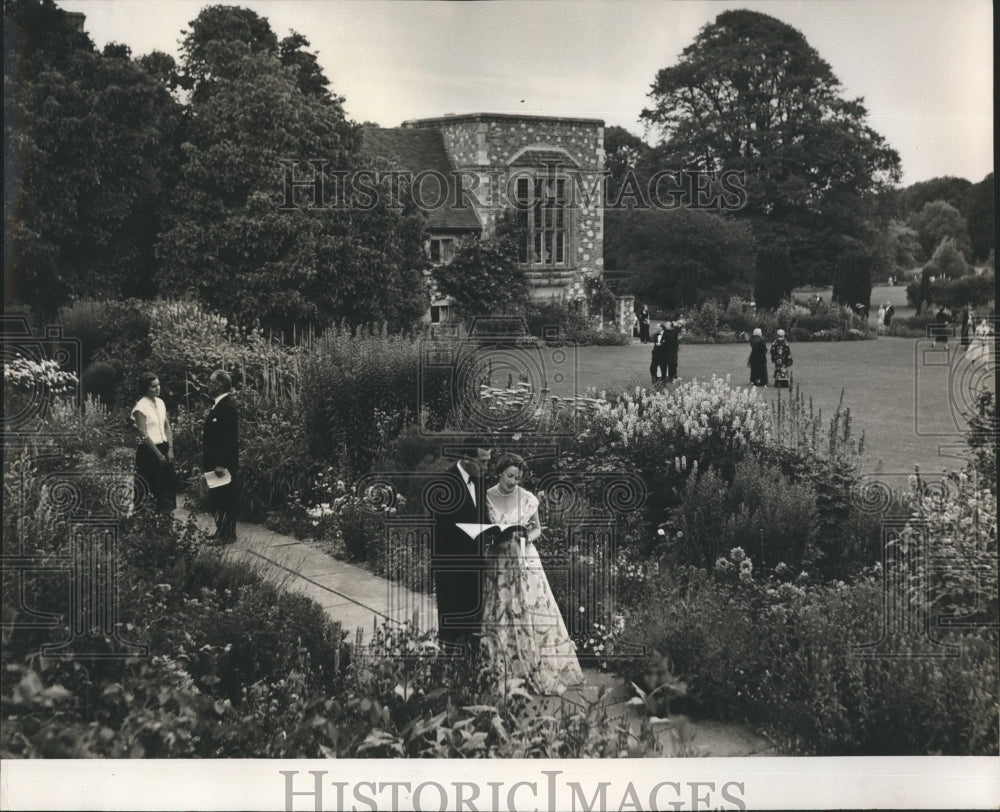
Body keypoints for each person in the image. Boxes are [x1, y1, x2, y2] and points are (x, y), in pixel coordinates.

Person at [481, 453, 584, 695]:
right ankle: (503, 668)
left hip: (525, 560)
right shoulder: (486, 496)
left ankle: (537, 663)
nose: (513, 481)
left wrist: (526, 537)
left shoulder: (527, 499)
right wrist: (494, 536)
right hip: (499, 560)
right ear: (499, 472)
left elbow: (537, 529)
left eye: (517, 477)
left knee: (532, 609)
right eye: (509, 476)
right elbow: (485, 530)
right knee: (500, 609)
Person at [430, 438, 491, 650]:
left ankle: (469, 667)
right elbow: (440, 528)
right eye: (482, 462)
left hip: (475, 564)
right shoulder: (444, 483)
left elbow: (482, 517)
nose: (486, 467)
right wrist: (471, 532)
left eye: (488, 462)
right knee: (451, 620)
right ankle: (446, 665)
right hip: (451, 564)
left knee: (472, 621)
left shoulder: (480, 481)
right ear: (467, 458)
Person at [202, 369, 240, 542]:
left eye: (211, 382)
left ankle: (227, 534)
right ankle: (221, 531)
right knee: (217, 498)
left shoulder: (227, 407)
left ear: (220, 385)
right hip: (213, 462)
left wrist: (221, 463)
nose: (208, 385)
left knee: (225, 498)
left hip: (221, 464)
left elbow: (229, 438)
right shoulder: (218, 405)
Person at [132, 372, 176, 512]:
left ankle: (165, 521)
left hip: (164, 448)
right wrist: (158, 455)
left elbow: (166, 426)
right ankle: (149, 526)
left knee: (166, 487)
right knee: (150, 488)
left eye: (158, 385)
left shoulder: (161, 403)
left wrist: (170, 449)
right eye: (153, 386)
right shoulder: (140, 407)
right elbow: (143, 434)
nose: (158, 388)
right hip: (149, 452)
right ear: (146, 388)